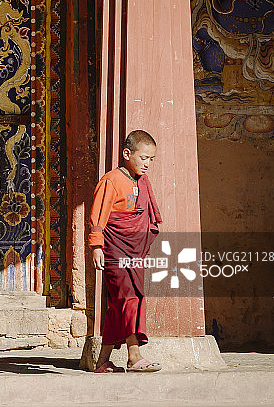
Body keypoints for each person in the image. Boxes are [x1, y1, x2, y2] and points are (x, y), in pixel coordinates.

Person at [88, 130, 162, 373]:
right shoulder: (111, 180)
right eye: (143, 158)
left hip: (133, 251)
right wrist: (96, 246)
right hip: (113, 247)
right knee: (128, 298)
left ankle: (102, 360)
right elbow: (98, 215)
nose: (147, 164)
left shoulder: (142, 182)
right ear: (127, 154)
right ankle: (134, 355)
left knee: (119, 303)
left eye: (151, 159)